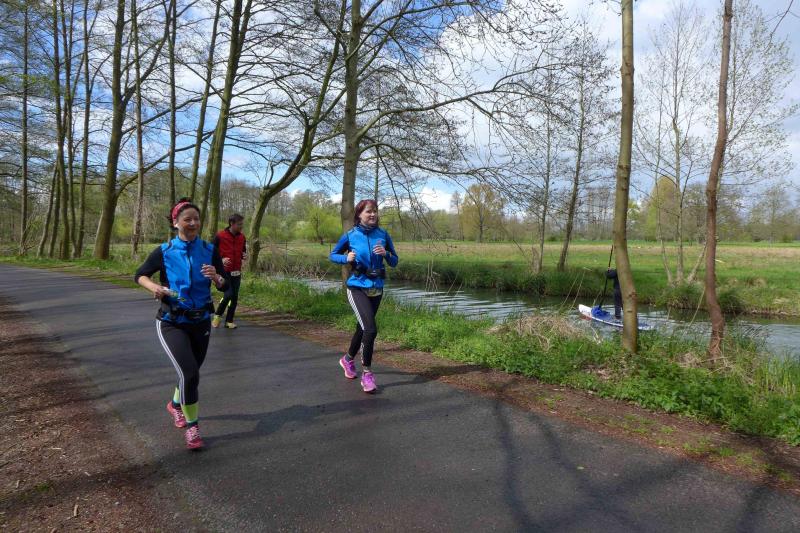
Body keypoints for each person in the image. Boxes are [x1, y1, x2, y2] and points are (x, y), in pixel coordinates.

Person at [134, 198, 228, 450]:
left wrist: (217, 278)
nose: (193, 223)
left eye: (196, 219)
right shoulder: (164, 251)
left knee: (191, 372)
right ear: (176, 223)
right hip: (172, 321)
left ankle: (175, 405)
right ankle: (193, 428)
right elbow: (140, 275)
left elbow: (225, 284)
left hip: (201, 321)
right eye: (187, 219)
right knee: (190, 373)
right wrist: (154, 287)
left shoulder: (209, 249)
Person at [329, 199, 399, 393]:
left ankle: (347, 360)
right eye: (368, 211)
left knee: (363, 328)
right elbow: (333, 255)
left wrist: (386, 254)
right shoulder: (350, 235)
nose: (373, 214)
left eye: (375, 211)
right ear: (359, 214)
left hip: (377, 288)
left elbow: (395, 261)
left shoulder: (383, 234)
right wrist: (345, 258)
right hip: (357, 287)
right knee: (370, 329)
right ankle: (367, 374)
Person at [212, 213, 247, 329]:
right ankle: (217, 315)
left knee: (234, 297)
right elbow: (212, 253)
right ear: (232, 223)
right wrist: (221, 260)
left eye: (242, 224)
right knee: (228, 294)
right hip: (224, 272)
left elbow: (243, 251)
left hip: (237, 271)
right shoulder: (220, 236)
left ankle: (229, 321)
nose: (241, 226)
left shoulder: (242, 237)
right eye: (239, 224)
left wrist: (244, 256)